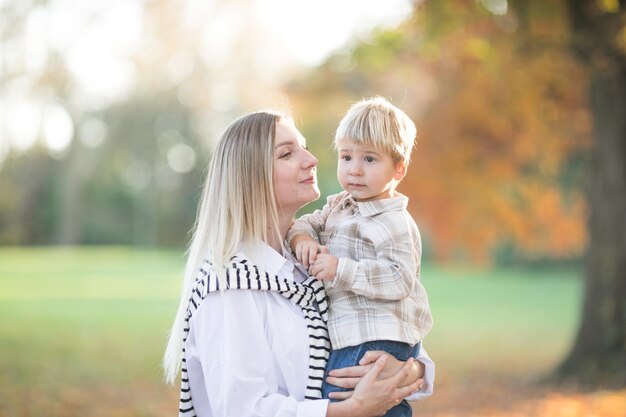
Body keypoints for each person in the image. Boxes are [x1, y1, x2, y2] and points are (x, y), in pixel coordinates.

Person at [163, 110, 435, 417]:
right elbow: (242, 409)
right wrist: (353, 409)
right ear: (252, 175)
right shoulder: (229, 286)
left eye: (304, 147)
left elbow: (381, 323)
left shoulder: (309, 263)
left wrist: (410, 371)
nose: (312, 159)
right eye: (288, 153)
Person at [288, 97, 433, 417]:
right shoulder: (340, 205)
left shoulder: (393, 221)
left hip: (376, 339)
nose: (354, 169)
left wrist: (341, 269)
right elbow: (306, 223)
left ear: (399, 167)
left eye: (369, 159)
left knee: (345, 401)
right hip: (353, 337)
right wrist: (301, 238)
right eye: (346, 156)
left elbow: (400, 278)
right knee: (378, 406)